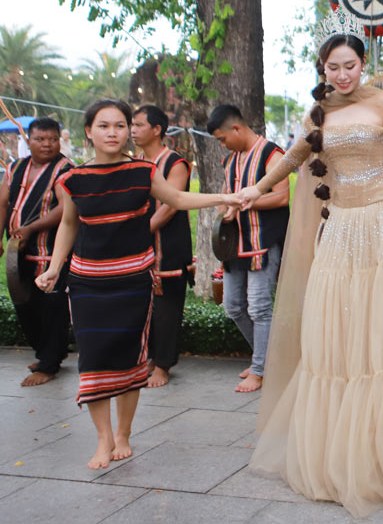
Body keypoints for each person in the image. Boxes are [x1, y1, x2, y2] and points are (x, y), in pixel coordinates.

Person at [238, 7, 383, 517]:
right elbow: (290, 160)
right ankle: (339, 450)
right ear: (322, 68)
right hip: (343, 228)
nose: (343, 74)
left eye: (350, 65)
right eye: (334, 67)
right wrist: (255, 188)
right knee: (335, 338)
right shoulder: (319, 113)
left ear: (362, 62)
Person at [35, 99, 238, 470]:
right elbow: (68, 225)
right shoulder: (72, 179)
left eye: (119, 125)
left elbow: (176, 198)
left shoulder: (144, 172)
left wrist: (224, 196)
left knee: (131, 358)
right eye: (103, 126)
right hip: (88, 283)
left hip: (132, 281)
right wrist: (54, 267)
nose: (112, 132)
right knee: (93, 359)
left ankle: (124, 434)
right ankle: (103, 438)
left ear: (129, 130)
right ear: (88, 132)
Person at [207, 104, 290, 393]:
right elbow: (225, 197)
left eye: (222, 138)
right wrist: (226, 207)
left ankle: (260, 368)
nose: (222, 143)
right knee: (232, 306)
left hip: (263, 242)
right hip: (235, 245)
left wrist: (247, 202)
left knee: (259, 307)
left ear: (237, 128)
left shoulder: (272, 153)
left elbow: (281, 198)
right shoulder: (230, 160)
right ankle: (266, 358)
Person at [0, 117, 73, 386]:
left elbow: (65, 208)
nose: (47, 144)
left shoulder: (65, 168)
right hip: (17, 249)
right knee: (24, 303)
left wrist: (32, 228)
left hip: (50, 250)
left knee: (51, 306)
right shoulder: (15, 167)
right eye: (40, 139)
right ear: (28, 141)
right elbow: (3, 202)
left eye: (53, 139)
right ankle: (45, 353)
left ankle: (49, 364)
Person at [132, 105, 193, 388]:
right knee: (144, 306)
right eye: (131, 125)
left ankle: (164, 365)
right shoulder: (133, 161)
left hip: (167, 246)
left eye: (138, 125)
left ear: (156, 129)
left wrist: (143, 230)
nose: (133, 130)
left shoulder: (174, 162)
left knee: (167, 307)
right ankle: (149, 358)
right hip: (140, 248)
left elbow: (172, 204)